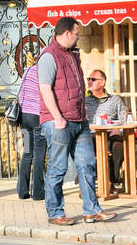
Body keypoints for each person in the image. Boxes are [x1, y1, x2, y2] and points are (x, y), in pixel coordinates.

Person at [38, 16, 115, 225]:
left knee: (87, 165)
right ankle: (55, 212)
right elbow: (45, 89)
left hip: (79, 120)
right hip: (59, 122)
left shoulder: (73, 55)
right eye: (77, 33)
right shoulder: (48, 56)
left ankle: (91, 209)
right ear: (66, 34)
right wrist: (57, 118)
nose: (79, 36)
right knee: (58, 168)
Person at [85, 69, 128, 186]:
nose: (89, 81)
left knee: (118, 145)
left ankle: (111, 180)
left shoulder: (115, 100)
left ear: (102, 83)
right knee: (99, 144)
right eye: (88, 79)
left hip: (110, 133)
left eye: (93, 79)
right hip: (90, 134)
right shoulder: (84, 101)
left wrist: (117, 129)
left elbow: (124, 119)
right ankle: (104, 181)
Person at [15, 62, 46, 201]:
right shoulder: (43, 72)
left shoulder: (28, 70)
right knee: (39, 154)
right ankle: (38, 192)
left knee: (27, 153)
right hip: (37, 117)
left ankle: (22, 191)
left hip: (24, 118)